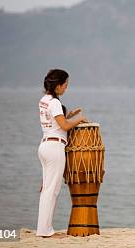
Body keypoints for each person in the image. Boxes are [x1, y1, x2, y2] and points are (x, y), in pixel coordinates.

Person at [37, 69, 87, 237]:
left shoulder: (44, 100)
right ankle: (45, 230)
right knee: (52, 190)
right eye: (65, 85)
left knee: (46, 189)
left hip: (44, 147)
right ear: (58, 86)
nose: (66, 88)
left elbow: (56, 121)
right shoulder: (55, 103)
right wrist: (78, 119)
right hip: (54, 148)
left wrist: (69, 115)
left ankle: (43, 228)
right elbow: (64, 127)